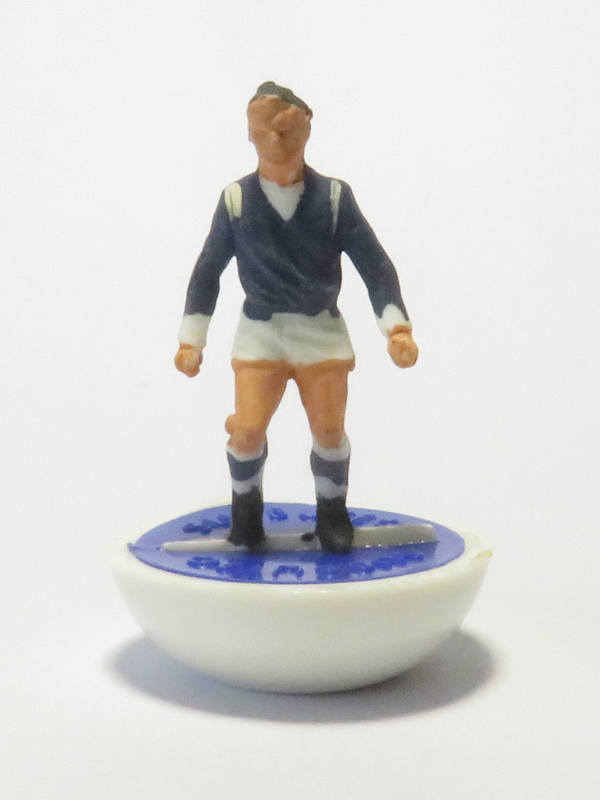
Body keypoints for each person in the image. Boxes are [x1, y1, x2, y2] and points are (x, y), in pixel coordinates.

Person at [175, 81, 418, 554]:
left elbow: (375, 264)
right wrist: (192, 340)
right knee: (247, 429)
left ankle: (332, 515)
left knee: (328, 429)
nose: (275, 141)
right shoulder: (236, 200)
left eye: (285, 129)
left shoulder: (334, 198)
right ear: (249, 135)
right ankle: (246, 517)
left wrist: (396, 328)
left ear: (307, 127)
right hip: (261, 333)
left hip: (319, 331)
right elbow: (207, 270)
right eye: (262, 131)